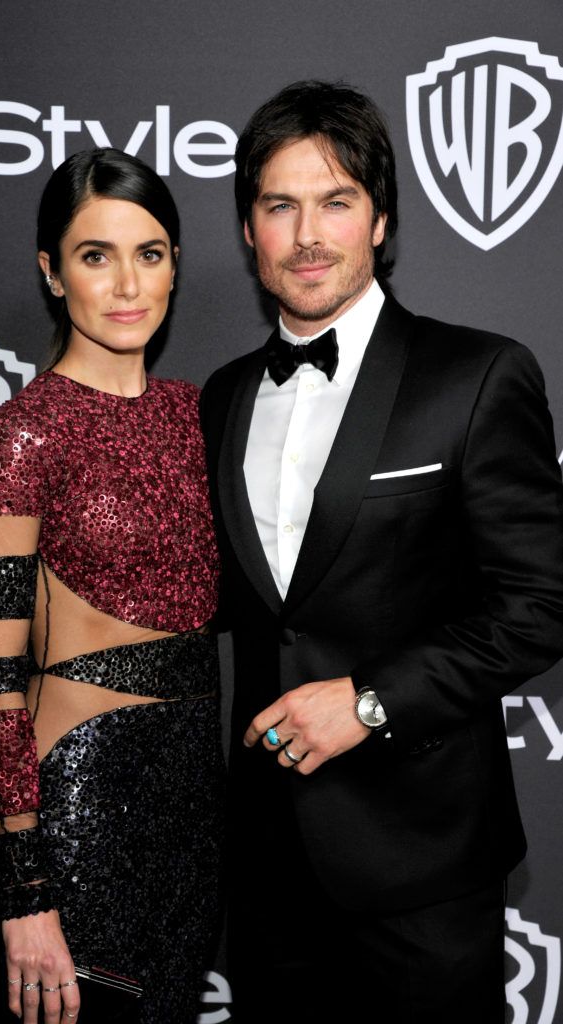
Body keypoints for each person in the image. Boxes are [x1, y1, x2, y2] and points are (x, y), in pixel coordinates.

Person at [200, 80, 563, 1023]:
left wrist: (369, 702)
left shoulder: (476, 375)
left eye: (336, 200)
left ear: (381, 221)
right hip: (270, 868)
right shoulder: (220, 396)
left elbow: (541, 601)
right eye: (280, 205)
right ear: (249, 230)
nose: (307, 233)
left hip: (424, 865)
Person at [0, 147, 224, 1024]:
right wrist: (25, 890)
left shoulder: (201, 416)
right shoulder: (20, 438)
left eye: (148, 253)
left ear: (175, 266)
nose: (125, 284)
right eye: (93, 254)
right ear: (50, 271)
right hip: (80, 805)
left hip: (196, 804)